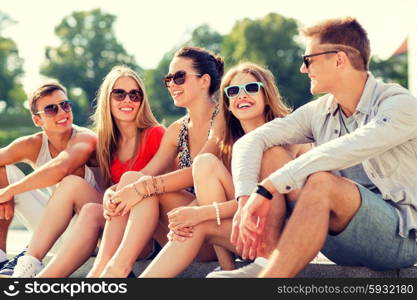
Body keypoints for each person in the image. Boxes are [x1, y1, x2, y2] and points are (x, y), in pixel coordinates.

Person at [211, 16, 417, 278]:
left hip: (400, 238)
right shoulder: (320, 111)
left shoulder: (399, 104)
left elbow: (350, 147)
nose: (303, 69)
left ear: (339, 60)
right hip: (335, 235)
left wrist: (268, 187)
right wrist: (245, 200)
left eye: (308, 60)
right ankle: (265, 263)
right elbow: (252, 140)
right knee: (273, 152)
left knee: (322, 181)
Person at [139, 62, 310, 277]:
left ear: (266, 95)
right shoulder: (234, 144)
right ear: (227, 104)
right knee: (204, 165)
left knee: (198, 221)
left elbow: (263, 201)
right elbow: (239, 200)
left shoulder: (287, 139)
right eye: (233, 91)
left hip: (284, 240)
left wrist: (199, 213)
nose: (242, 96)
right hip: (246, 234)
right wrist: (193, 215)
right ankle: (227, 269)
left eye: (251, 88)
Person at [86, 46, 224, 278]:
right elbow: (144, 174)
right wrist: (113, 191)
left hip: (215, 228)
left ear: (204, 81)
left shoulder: (223, 118)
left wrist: (141, 187)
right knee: (131, 178)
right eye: (169, 79)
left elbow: (195, 172)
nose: (172, 84)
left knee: (139, 184)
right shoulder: (177, 130)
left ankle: (114, 270)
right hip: (181, 231)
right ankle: (104, 269)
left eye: (179, 77)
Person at [28, 65, 165, 278]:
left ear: (142, 100)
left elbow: (168, 186)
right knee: (78, 191)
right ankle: (40, 278)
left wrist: (115, 192)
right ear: (107, 99)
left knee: (128, 182)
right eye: (119, 94)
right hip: (115, 220)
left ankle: (99, 273)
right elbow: (73, 168)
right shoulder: (105, 142)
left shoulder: (156, 134)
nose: (127, 100)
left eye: (134, 94)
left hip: (146, 232)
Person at [0, 81, 99, 277]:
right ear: (38, 120)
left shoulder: (85, 139)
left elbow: (62, 167)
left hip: (90, 232)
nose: (62, 113)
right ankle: (1, 257)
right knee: (2, 171)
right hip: (52, 231)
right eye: (52, 109)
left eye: (65, 105)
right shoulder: (33, 144)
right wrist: (5, 189)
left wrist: (10, 191)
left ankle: (28, 263)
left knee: (71, 182)